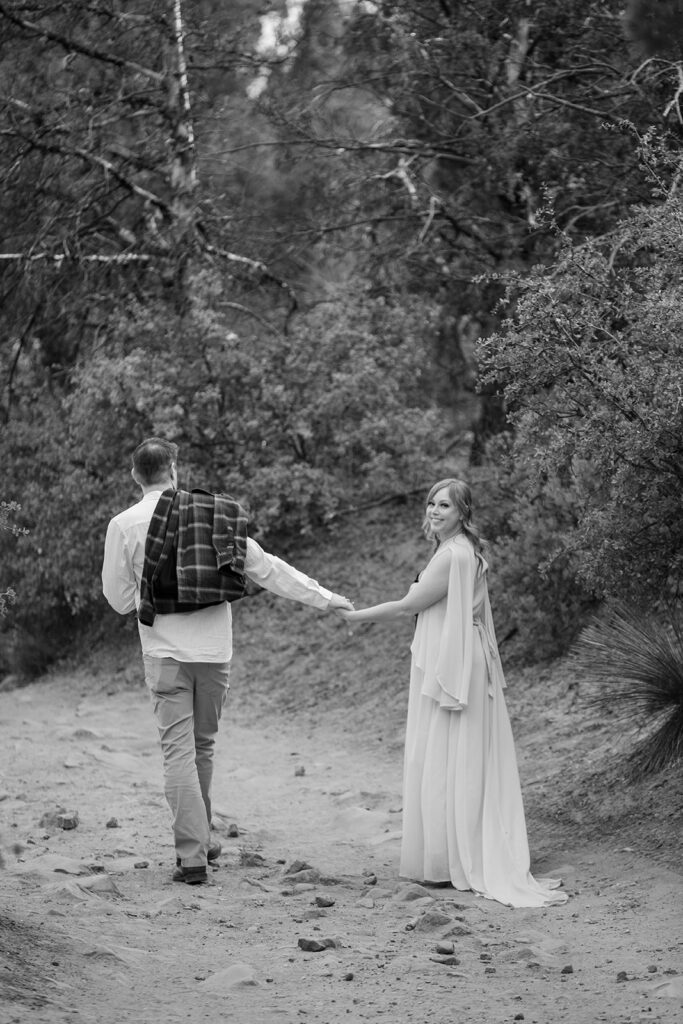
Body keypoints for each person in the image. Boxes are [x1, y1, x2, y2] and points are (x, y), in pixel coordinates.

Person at [102, 437, 353, 885]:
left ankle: (192, 855)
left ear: (135, 474)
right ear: (175, 469)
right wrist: (326, 598)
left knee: (177, 751)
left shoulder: (123, 524)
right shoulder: (215, 515)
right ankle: (202, 839)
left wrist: (150, 593)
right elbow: (268, 568)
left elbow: (120, 601)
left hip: (163, 652)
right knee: (203, 746)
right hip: (215, 653)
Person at [341, 478, 567, 908]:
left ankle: (449, 861)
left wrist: (355, 617)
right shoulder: (461, 550)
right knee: (453, 757)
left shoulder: (453, 555)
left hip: (455, 668)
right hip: (461, 661)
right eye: (430, 503)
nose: (434, 511)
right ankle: (449, 855)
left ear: (463, 512)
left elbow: (409, 606)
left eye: (444, 505)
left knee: (449, 757)